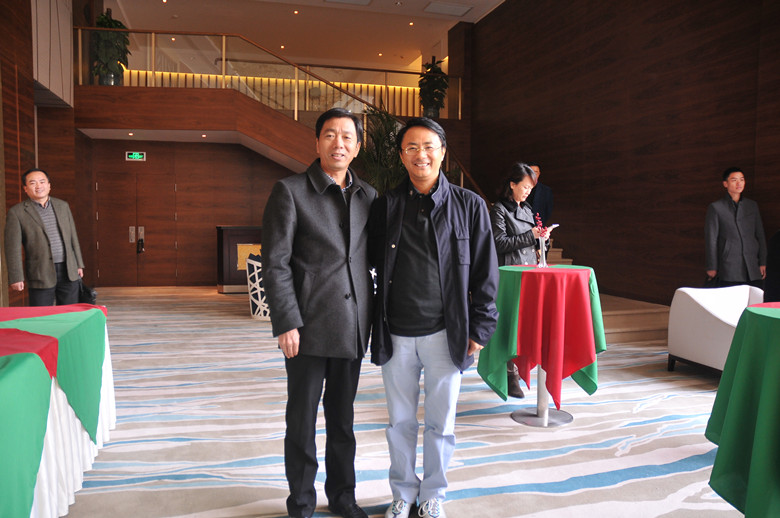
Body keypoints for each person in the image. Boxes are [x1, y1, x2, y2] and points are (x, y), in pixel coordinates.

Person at [369, 117, 499, 518]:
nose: (420, 155)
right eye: (411, 147)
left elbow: (486, 271)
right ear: (401, 155)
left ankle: (433, 494)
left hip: (447, 333)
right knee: (400, 423)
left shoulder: (469, 205)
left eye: (429, 146)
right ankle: (403, 493)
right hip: (396, 333)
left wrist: (481, 327)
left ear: (443, 152)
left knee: (441, 423)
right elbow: (368, 265)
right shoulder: (386, 205)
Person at [262, 108, 377, 518]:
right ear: (317, 142)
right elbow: (275, 263)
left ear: (357, 147)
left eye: (347, 137)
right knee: (302, 420)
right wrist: (286, 321)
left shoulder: (368, 196)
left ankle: (343, 496)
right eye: (330, 135)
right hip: (306, 327)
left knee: (343, 420)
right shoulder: (290, 191)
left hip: (352, 326)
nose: (338, 143)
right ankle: (301, 502)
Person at [489, 162, 553, 399]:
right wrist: (530, 235)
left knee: (524, 324)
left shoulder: (527, 209)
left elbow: (534, 242)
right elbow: (499, 243)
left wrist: (543, 238)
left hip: (528, 272)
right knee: (509, 324)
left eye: (530, 188)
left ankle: (519, 368)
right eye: (525, 187)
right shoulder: (499, 210)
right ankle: (509, 373)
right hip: (509, 274)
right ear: (512, 185)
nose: (528, 192)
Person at [5, 168, 84, 306]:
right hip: (40, 272)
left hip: (68, 270)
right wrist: (16, 277)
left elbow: (73, 237)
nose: (38, 186)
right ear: (25, 188)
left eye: (42, 182)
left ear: (49, 185)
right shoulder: (17, 212)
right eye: (33, 183)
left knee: (69, 313)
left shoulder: (63, 206)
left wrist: (79, 264)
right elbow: (12, 248)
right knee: (41, 314)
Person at [704, 167, 766, 289]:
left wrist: (763, 261)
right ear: (725, 184)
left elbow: (760, 235)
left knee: (754, 297)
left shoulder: (752, 206)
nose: (739, 183)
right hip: (729, 265)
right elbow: (711, 239)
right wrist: (712, 266)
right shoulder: (716, 208)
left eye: (742, 180)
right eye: (734, 180)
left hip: (752, 264)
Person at [526, 161, 553, 225]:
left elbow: (548, 211)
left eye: (536, 172)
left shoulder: (546, 190)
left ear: (539, 173)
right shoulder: (520, 188)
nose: (533, 174)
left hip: (538, 224)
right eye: (531, 172)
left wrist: (540, 223)